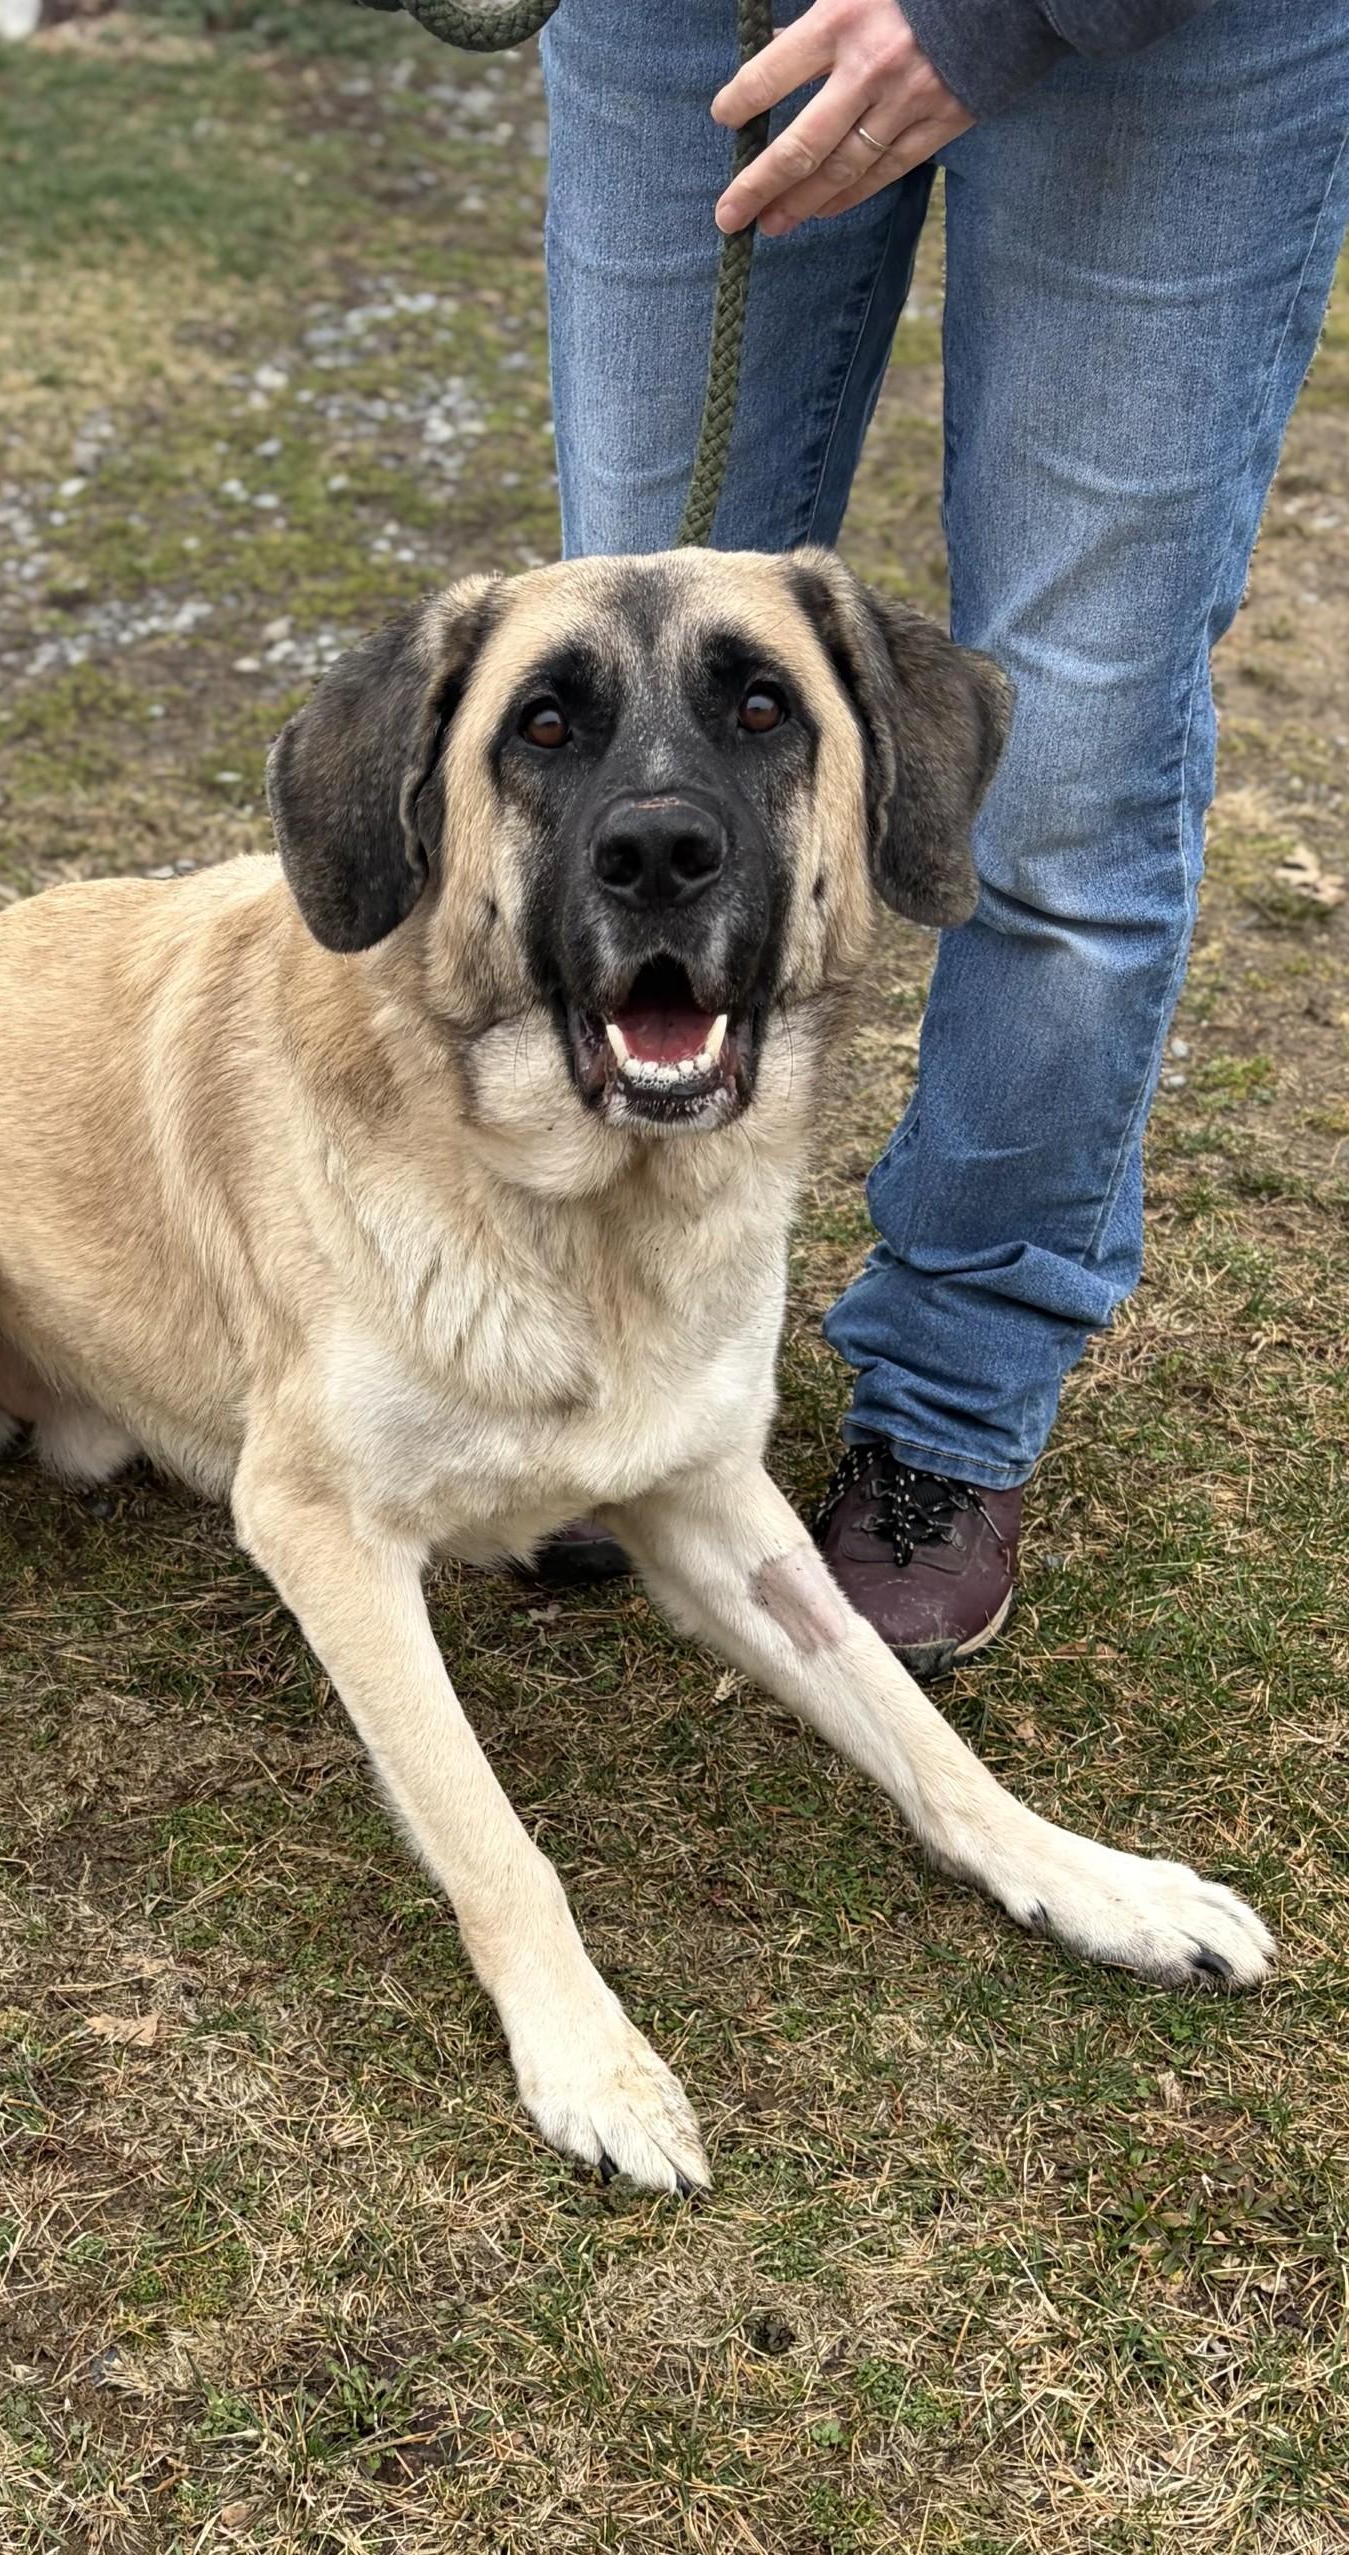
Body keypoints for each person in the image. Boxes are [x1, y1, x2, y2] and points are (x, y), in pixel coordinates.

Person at [533, 0, 1349, 1671]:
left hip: (1173, 41)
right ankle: (615, 1350)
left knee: (1064, 769)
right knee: (627, 712)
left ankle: (951, 1401)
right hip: (692, 24)